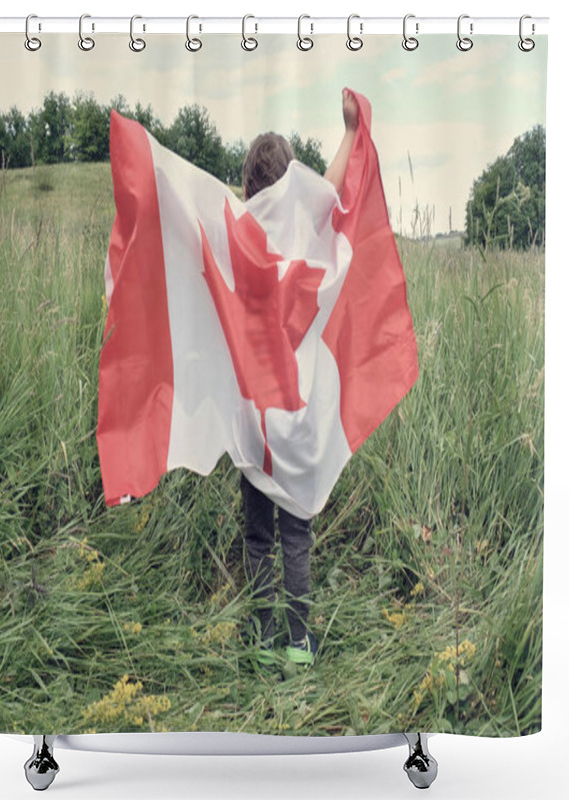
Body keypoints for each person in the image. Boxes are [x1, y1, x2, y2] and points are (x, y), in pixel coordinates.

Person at [240, 88, 359, 669]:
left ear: (246, 189)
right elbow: (332, 188)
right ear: (291, 184)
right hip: (301, 417)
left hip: (255, 424)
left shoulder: (238, 235)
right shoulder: (306, 236)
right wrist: (350, 132)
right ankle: (298, 642)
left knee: (259, 534)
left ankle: (263, 639)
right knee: (296, 536)